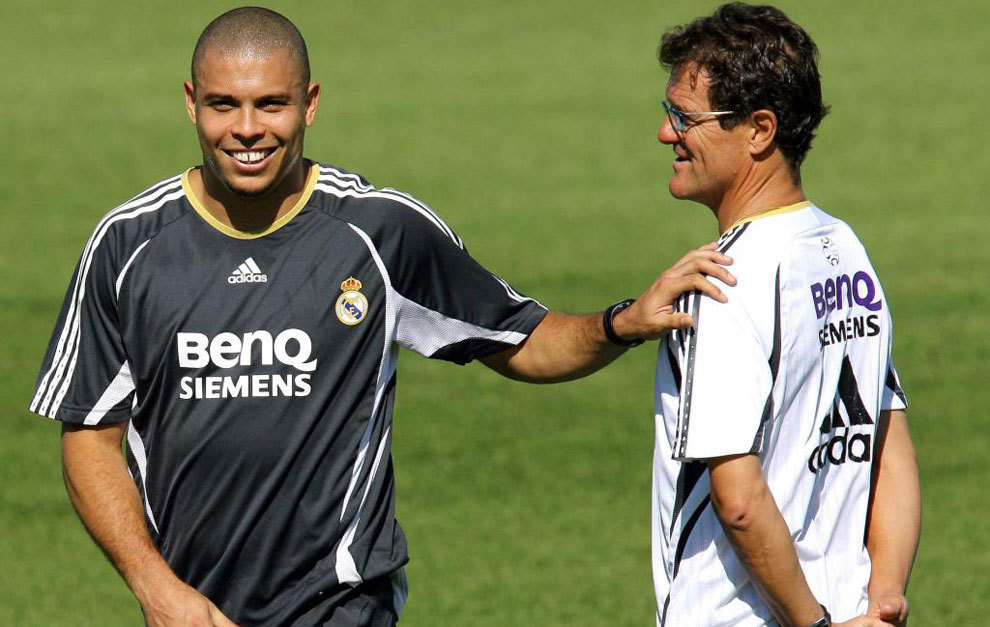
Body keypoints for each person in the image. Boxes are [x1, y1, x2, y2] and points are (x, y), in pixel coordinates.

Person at [28, 7, 734, 627]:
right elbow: (89, 437)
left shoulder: (378, 232)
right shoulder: (128, 246)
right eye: (223, 105)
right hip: (193, 609)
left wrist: (620, 323)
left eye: (271, 105)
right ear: (191, 103)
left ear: (310, 103)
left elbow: (520, 340)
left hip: (341, 603)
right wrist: (157, 590)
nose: (246, 129)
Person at [649, 4, 920, 627]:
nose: (666, 133)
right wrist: (885, 597)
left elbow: (740, 502)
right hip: (852, 608)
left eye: (684, 117)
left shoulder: (721, 281)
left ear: (759, 130)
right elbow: (890, 446)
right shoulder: (845, 250)